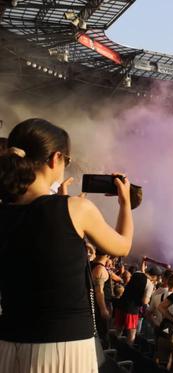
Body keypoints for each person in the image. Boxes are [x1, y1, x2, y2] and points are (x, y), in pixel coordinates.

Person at [0, 118, 133, 372]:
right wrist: (125, 203)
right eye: (67, 161)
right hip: (65, 346)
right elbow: (123, 246)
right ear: (55, 158)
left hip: (8, 344)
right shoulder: (76, 208)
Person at [91, 249, 114, 348]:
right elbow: (99, 291)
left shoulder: (91, 265)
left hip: (95, 307)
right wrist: (103, 309)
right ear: (107, 255)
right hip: (100, 307)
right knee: (102, 336)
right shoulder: (100, 269)